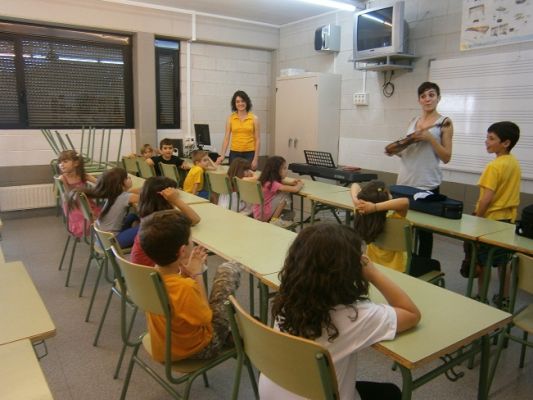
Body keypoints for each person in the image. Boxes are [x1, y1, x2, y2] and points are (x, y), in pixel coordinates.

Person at [260, 223, 420, 400]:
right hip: (316, 395)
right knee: (391, 393)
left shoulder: (287, 300)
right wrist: (373, 273)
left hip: (275, 390)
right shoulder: (352, 316)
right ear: (349, 271)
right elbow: (411, 314)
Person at [139, 210, 241, 361]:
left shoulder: (147, 276)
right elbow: (207, 317)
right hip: (199, 349)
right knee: (228, 269)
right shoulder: (185, 287)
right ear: (182, 251)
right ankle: (237, 334)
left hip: (164, 345)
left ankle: (234, 333)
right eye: (190, 239)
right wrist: (196, 274)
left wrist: (185, 274)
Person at [393, 81, 454, 259]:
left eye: (431, 95)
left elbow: (446, 157)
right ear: (419, 100)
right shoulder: (413, 121)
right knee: (402, 227)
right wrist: (396, 149)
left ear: (438, 98)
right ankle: (401, 264)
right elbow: (407, 152)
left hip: (426, 184)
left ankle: (423, 266)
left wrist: (430, 138)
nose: (427, 99)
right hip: (405, 182)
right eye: (423, 96)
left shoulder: (444, 122)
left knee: (424, 232)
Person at [473, 121, 521, 305]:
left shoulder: (494, 166)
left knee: (483, 262)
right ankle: (504, 298)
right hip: (508, 221)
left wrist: (477, 217)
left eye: (492, 138)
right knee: (503, 261)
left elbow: (486, 199)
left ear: (506, 143)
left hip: (490, 221)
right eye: (487, 137)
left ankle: (481, 297)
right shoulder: (514, 163)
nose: (487, 141)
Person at [130, 176, 201, 266]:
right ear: (166, 196)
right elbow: (195, 219)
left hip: (140, 269)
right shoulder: (165, 221)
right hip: (154, 269)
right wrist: (176, 200)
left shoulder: (149, 213)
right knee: (196, 256)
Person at [71, 167, 140, 248]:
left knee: (132, 216)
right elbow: (145, 197)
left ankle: (136, 241)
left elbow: (129, 194)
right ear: (120, 184)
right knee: (147, 228)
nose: (130, 178)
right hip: (112, 241)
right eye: (127, 178)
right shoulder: (125, 197)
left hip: (102, 238)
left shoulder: (114, 193)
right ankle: (139, 243)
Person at [352, 181, 409, 273]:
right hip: (397, 269)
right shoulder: (396, 219)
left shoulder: (361, 214)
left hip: (374, 268)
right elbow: (405, 202)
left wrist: (356, 201)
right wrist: (375, 207)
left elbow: (355, 185)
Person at [58, 150, 99, 238]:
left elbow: (99, 183)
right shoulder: (63, 178)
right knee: (92, 219)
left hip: (86, 203)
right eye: (60, 162)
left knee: (99, 217)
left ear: (76, 163)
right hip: (74, 205)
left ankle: (99, 237)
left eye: (65, 161)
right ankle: (99, 237)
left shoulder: (83, 175)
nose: (61, 164)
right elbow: (68, 196)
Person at [216, 90, 260, 170]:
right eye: (237, 101)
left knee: (248, 176)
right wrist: (222, 155)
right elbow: (226, 138)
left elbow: (257, 140)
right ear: (234, 103)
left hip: (250, 153)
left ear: (247, 102)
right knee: (234, 176)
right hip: (234, 153)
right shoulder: (230, 118)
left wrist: (256, 158)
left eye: (243, 101)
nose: (240, 103)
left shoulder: (254, 118)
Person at [252, 156, 303, 224]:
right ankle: (273, 221)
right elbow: (295, 189)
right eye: (284, 168)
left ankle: (273, 219)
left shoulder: (266, 179)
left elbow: (280, 182)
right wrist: (300, 184)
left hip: (257, 212)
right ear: (276, 171)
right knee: (285, 195)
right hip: (263, 215)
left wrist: (291, 183)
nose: (286, 171)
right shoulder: (274, 184)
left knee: (281, 194)